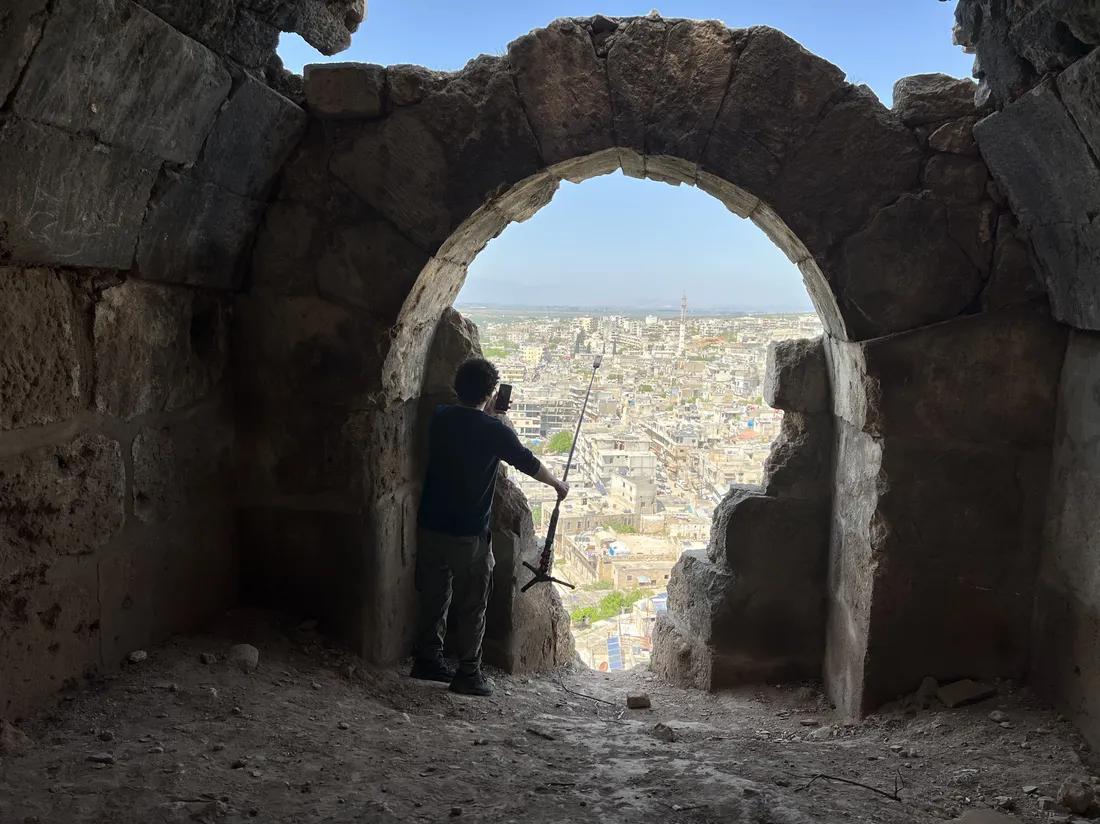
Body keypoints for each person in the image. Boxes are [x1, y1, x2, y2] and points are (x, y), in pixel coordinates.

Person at [412, 357, 569, 696]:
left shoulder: (440, 417)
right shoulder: (494, 431)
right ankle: (469, 672)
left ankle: (428, 658)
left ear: (457, 386)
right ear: (492, 393)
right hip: (468, 532)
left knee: (435, 596)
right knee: (473, 602)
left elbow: (465, 424)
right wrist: (557, 484)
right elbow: (528, 463)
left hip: (431, 525)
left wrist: (486, 412)